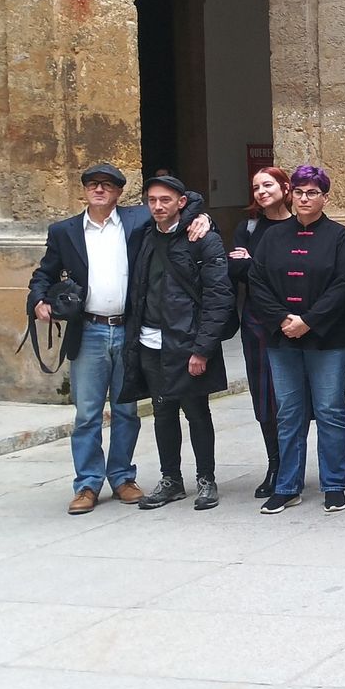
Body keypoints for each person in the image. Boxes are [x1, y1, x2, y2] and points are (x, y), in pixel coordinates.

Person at [27, 163, 209, 514]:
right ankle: (87, 485)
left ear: (119, 192)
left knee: (126, 410)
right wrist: (37, 299)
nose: (99, 190)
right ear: (83, 190)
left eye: (108, 186)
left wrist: (203, 218)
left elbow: (186, 199)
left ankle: (123, 477)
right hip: (90, 329)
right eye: (93, 185)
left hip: (128, 328)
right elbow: (43, 273)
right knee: (87, 413)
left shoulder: (137, 220)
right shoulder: (64, 231)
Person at [248, 165, 345, 515]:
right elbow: (257, 281)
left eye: (312, 192)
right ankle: (287, 485)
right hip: (282, 340)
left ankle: (334, 484)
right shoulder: (273, 237)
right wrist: (283, 320)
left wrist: (309, 321)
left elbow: (343, 285)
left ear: (325, 197)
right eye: (299, 192)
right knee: (289, 413)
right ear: (290, 195)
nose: (304, 198)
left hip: (327, 340)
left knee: (329, 411)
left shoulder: (340, 237)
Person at [122, 175, 235, 512]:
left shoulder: (203, 239)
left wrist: (203, 348)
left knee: (197, 412)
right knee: (162, 411)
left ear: (181, 202)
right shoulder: (144, 235)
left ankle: (206, 478)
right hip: (149, 341)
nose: (158, 206)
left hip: (187, 342)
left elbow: (219, 297)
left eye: (165, 200)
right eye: (152, 200)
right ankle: (170, 479)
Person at [228, 167, 294, 497]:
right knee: (264, 397)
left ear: (285, 187)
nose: (261, 191)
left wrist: (255, 262)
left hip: (297, 323)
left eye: (268, 184)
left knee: (298, 398)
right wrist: (263, 265)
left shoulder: (299, 224)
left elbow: (301, 270)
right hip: (257, 324)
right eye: (255, 186)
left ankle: (294, 463)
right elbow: (237, 270)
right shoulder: (248, 227)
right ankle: (275, 463)